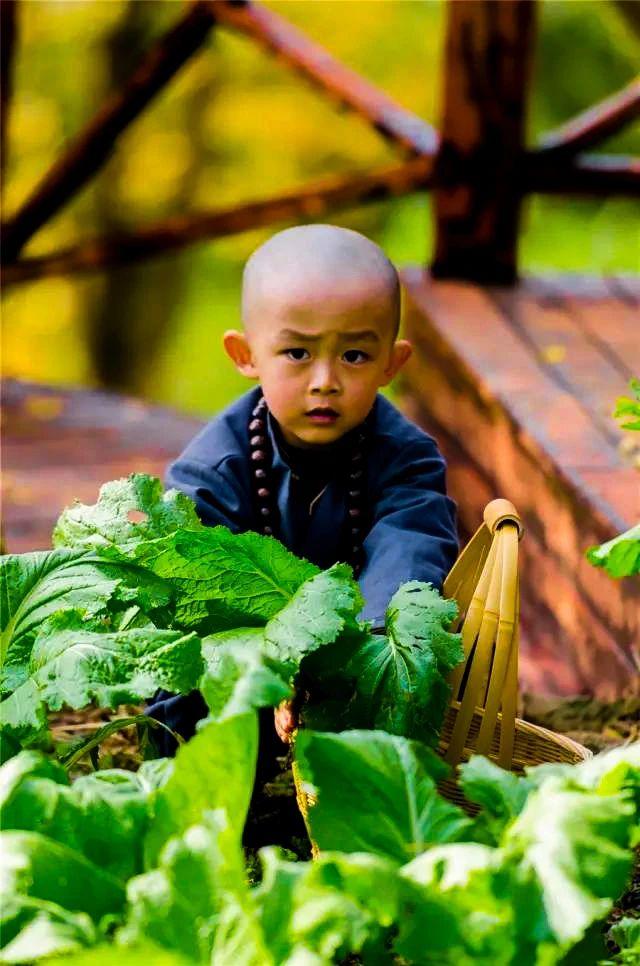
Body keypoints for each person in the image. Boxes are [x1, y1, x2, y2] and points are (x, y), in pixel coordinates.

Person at [147, 223, 458, 755]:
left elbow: (409, 565)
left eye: (354, 356)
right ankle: (198, 802)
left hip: (354, 665)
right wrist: (273, 666)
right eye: (296, 353)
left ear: (392, 362)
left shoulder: (406, 459)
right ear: (245, 355)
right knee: (182, 687)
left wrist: (332, 665)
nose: (324, 381)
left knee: (408, 663)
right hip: (241, 669)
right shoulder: (212, 471)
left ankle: (357, 792)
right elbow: (198, 602)